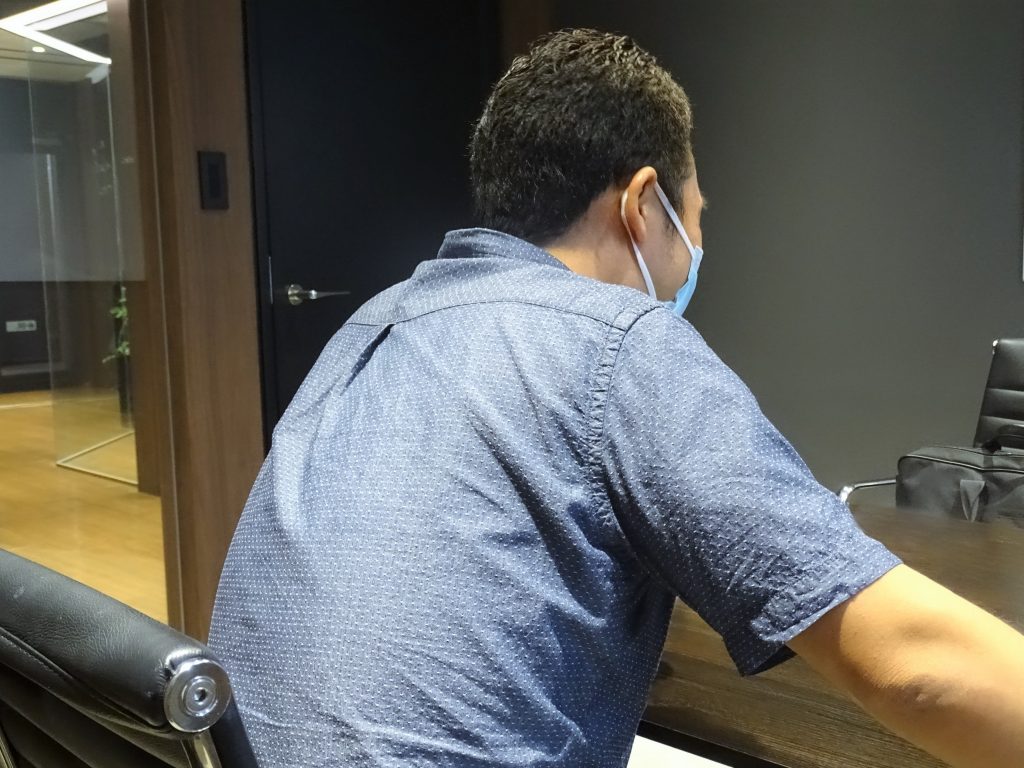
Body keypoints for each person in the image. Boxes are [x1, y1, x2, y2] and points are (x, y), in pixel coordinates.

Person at [209, 28, 1024, 768]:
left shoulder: (373, 323)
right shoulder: (617, 343)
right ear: (641, 206)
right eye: (694, 220)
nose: (696, 249)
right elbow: (917, 667)